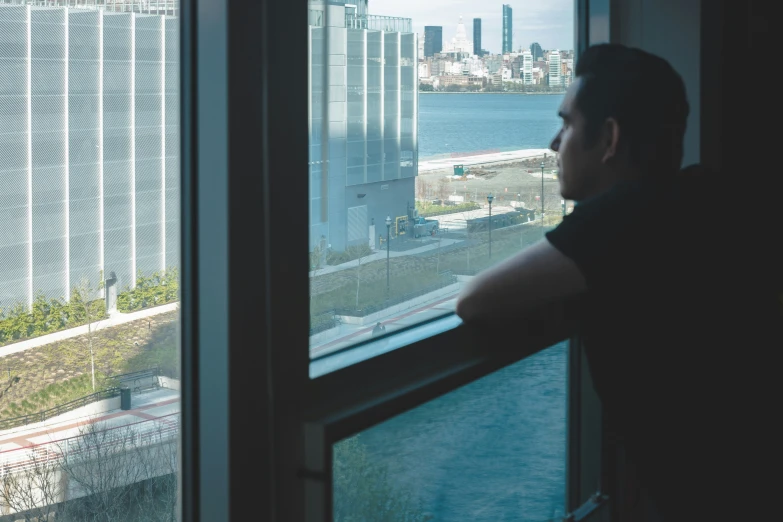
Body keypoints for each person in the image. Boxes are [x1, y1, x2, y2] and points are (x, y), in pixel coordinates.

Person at [456, 44, 779, 521]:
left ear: (609, 140)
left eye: (566, 124)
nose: (553, 142)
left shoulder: (621, 220)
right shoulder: (705, 192)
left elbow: (474, 300)